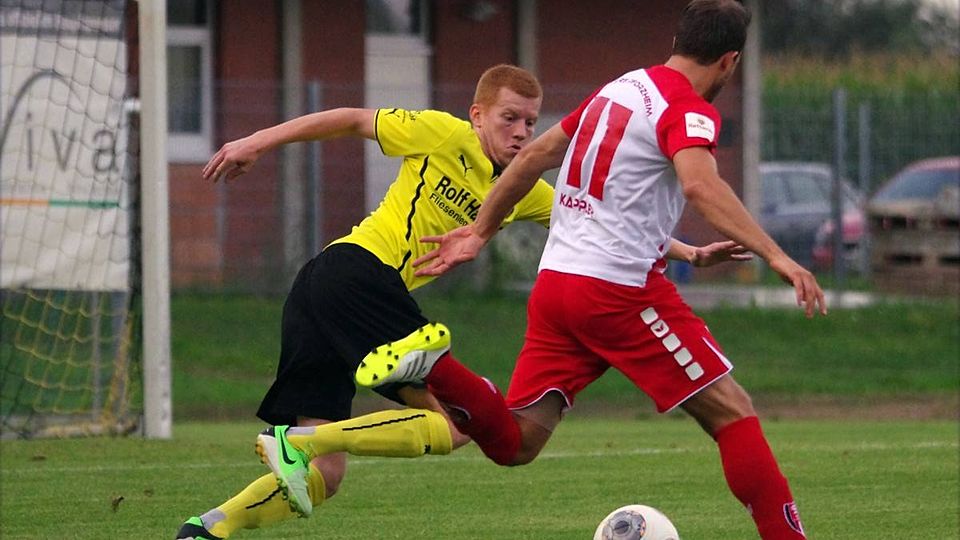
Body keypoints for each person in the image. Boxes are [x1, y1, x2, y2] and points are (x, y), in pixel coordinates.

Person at [176, 63, 741, 539]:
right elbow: (349, 119)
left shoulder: (521, 189)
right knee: (457, 423)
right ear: (476, 116)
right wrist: (255, 142)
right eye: (509, 118)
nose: (521, 132)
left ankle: (207, 528)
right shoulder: (441, 134)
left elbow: (601, 220)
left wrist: (690, 253)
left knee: (325, 476)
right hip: (355, 273)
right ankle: (296, 441)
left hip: (323, 292)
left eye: (530, 122)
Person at [359, 1, 823, 538]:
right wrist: (777, 255)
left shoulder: (618, 89)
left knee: (517, 442)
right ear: (729, 61)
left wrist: (481, 230)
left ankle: (437, 368)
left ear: (677, 42)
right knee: (731, 410)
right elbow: (700, 184)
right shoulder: (685, 108)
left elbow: (532, 157)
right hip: (619, 291)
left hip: (557, 286)